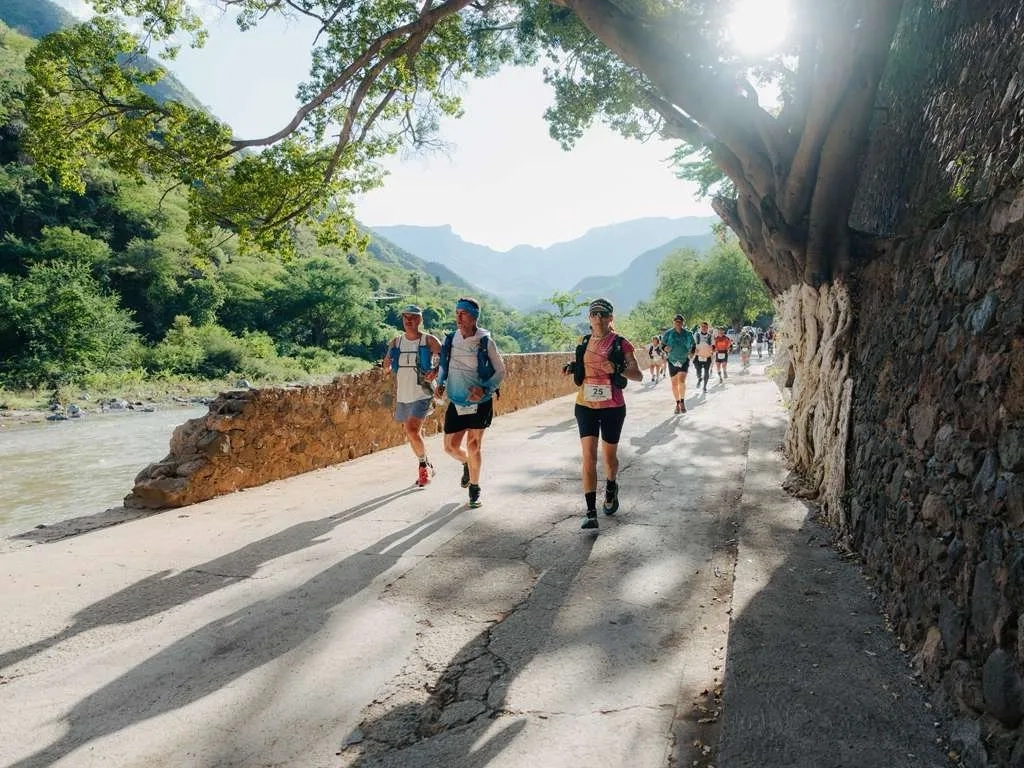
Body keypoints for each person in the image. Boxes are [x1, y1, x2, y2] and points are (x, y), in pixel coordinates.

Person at [563, 298, 643, 530]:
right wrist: (571, 367)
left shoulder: (621, 343)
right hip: (585, 405)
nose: (598, 318)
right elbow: (581, 364)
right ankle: (590, 511)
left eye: (602, 314)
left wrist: (617, 368)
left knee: (609, 458)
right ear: (589, 318)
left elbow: (637, 374)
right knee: (588, 456)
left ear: (610, 318)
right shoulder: (583, 341)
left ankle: (611, 485)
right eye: (594, 314)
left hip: (613, 408)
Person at [435, 296, 506, 508]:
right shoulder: (450, 339)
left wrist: (485, 388)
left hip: (480, 400)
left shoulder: (485, 341)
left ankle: (475, 489)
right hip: (456, 400)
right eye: (457, 312)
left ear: (474, 317)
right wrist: (440, 383)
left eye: (463, 313)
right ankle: (466, 463)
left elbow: (501, 370)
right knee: (450, 447)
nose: (458, 316)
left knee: (474, 445)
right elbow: (443, 365)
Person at [382, 304, 442, 487]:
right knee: (412, 433)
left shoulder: (429, 340)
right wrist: (387, 365)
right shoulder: (396, 342)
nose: (408, 320)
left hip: (423, 392)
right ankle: (426, 462)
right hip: (403, 395)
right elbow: (387, 366)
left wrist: (435, 371)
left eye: (413, 317)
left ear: (420, 320)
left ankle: (423, 467)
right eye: (405, 317)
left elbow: (446, 360)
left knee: (412, 431)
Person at [660, 313, 695, 414]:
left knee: (682, 381)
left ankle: (683, 402)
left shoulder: (688, 333)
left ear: (683, 323)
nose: (678, 323)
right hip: (672, 360)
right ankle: (677, 403)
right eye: (676, 322)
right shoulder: (668, 333)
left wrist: (692, 352)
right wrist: (664, 348)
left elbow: (693, 345)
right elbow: (662, 344)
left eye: (680, 322)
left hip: (684, 359)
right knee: (674, 384)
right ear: (674, 322)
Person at [692, 321, 715, 394]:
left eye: (705, 327)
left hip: (707, 356)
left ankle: (704, 387)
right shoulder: (696, 335)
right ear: (700, 327)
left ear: (707, 328)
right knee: (698, 371)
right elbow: (693, 344)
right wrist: (693, 350)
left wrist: (713, 350)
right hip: (698, 356)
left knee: (706, 372)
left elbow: (713, 345)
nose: (704, 328)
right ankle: (699, 378)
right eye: (702, 327)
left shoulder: (710, 336)